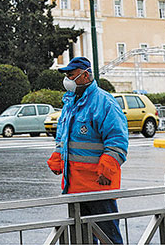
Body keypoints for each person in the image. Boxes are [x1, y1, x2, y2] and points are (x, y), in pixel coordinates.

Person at [47, 56, 128, 245]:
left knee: (108, 238)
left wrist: (107, 169)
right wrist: (58, 156)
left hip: (98, 186)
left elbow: (117, 140)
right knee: (81, 238)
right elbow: (64, 136)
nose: (67, 79)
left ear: (85, 76)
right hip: (74, 186)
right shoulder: (71, 103)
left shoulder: (104, 102)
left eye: (71, 75)